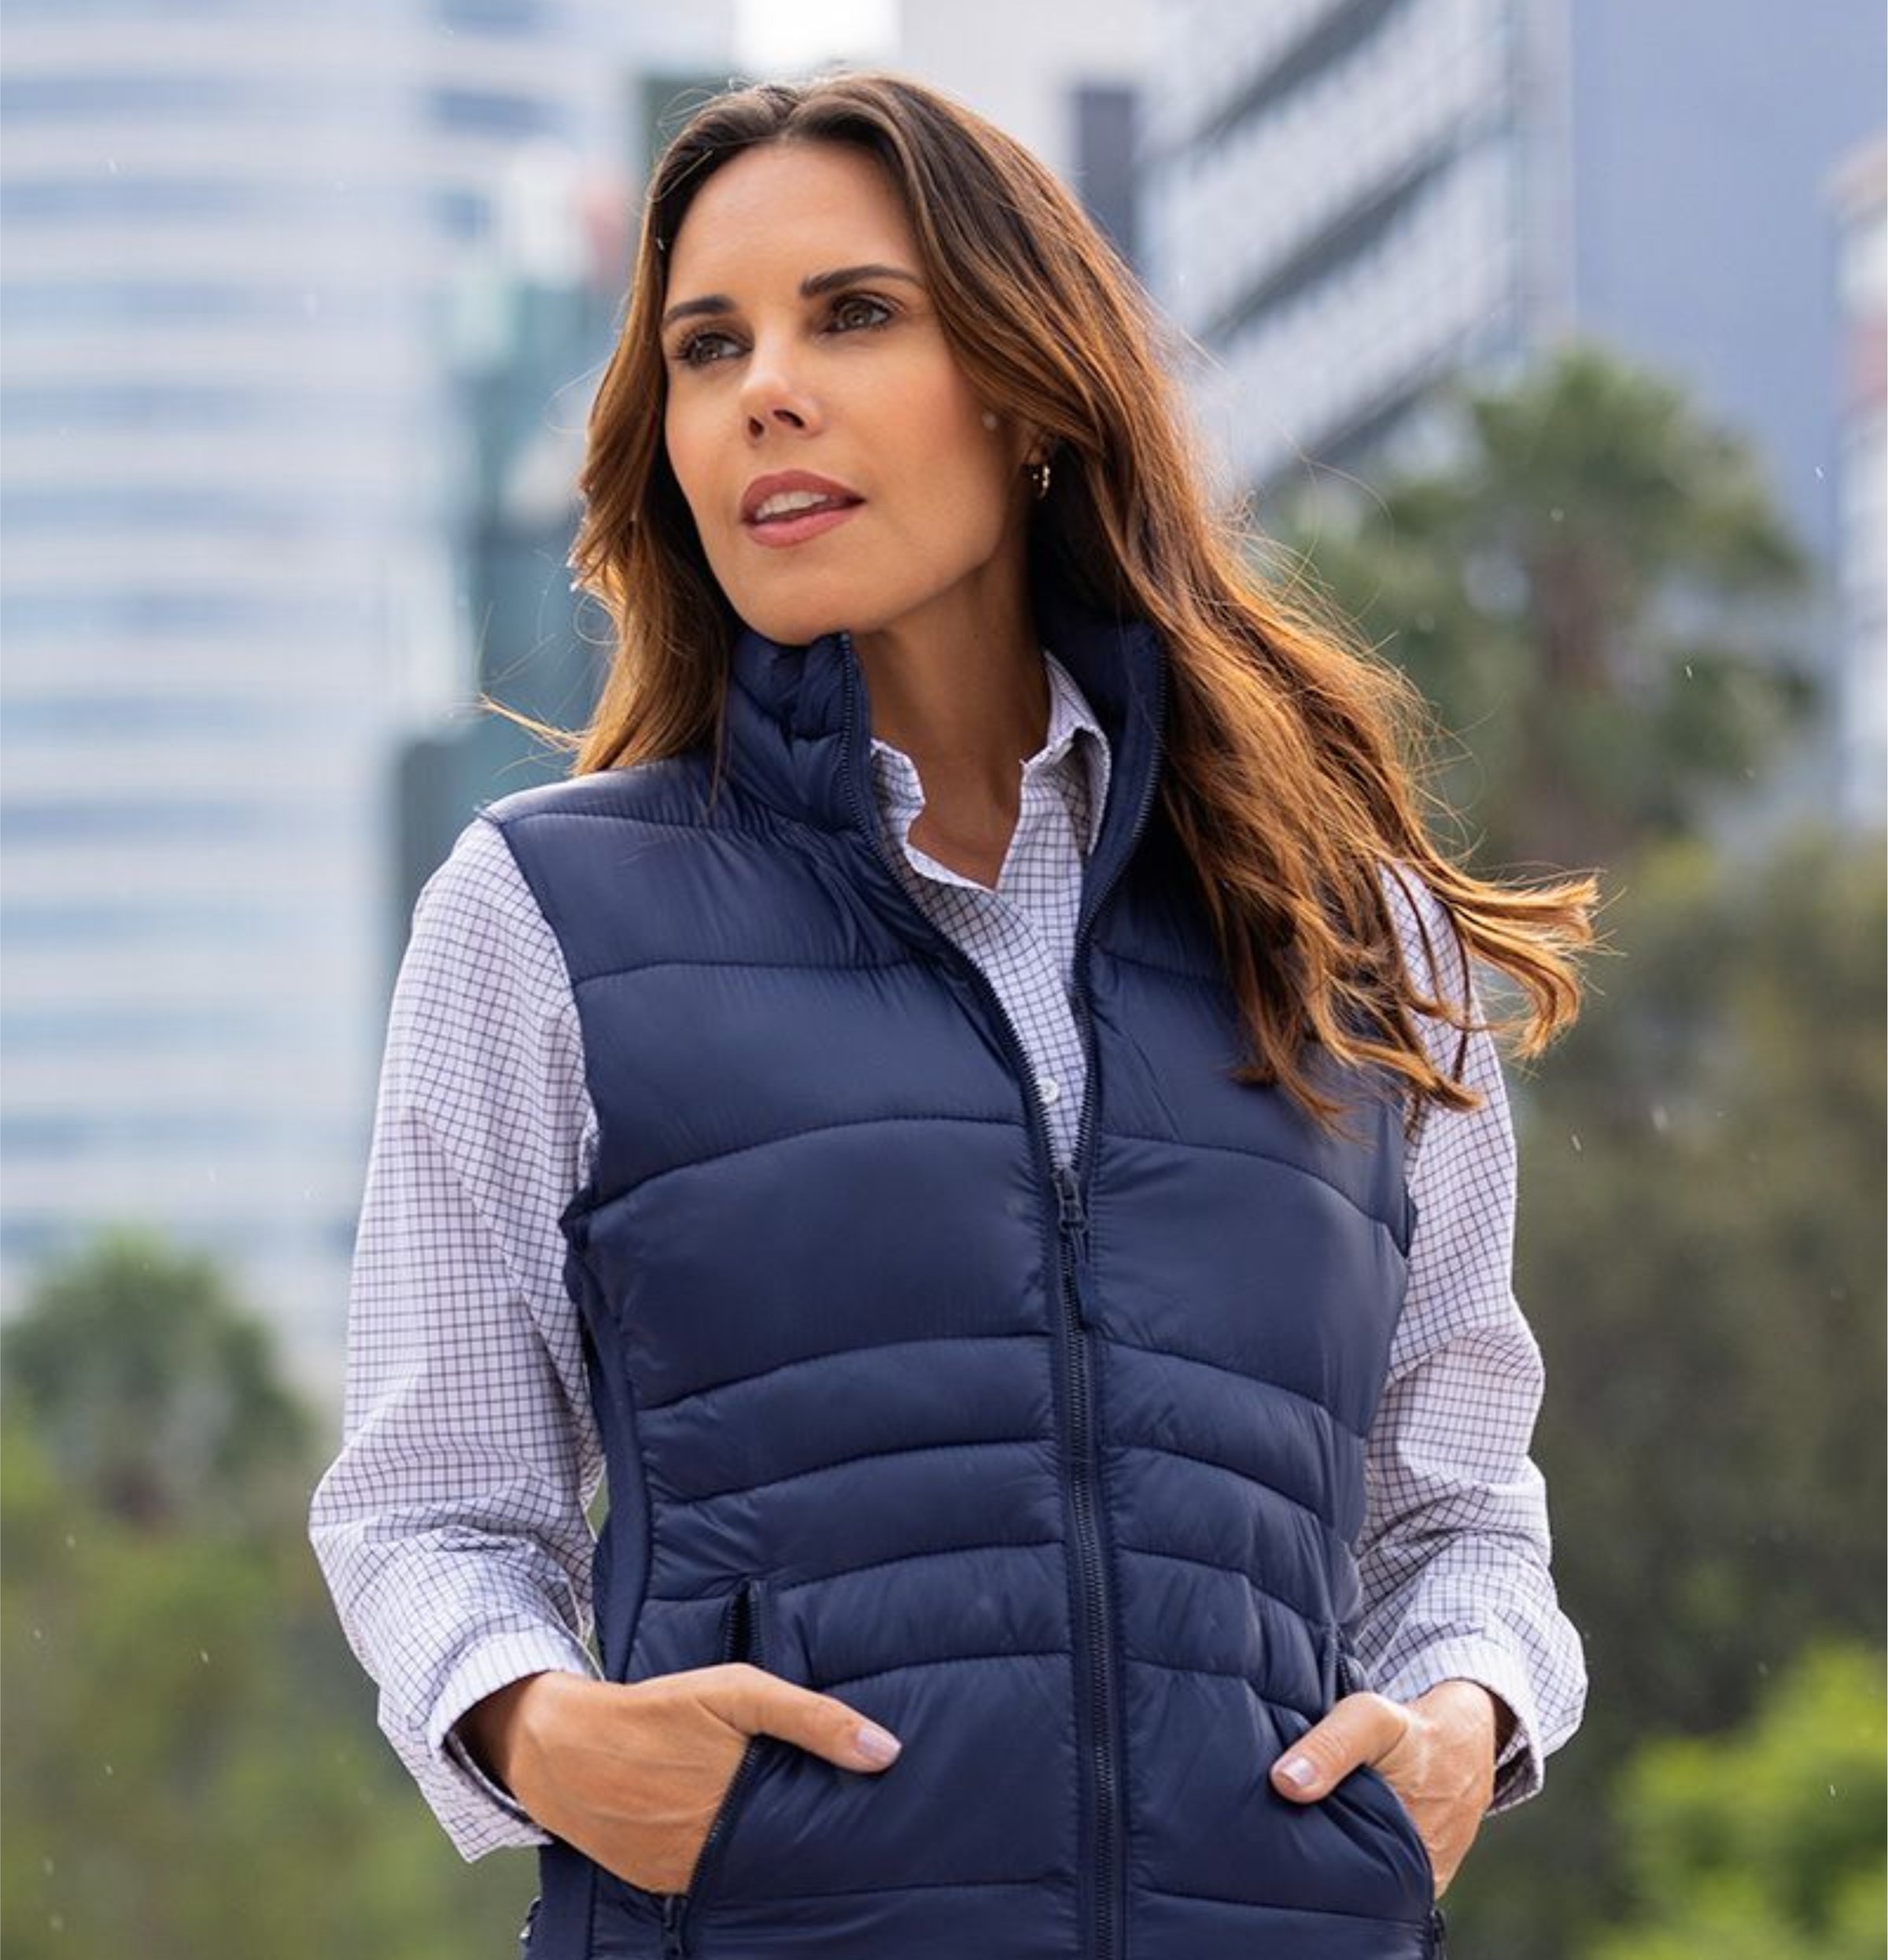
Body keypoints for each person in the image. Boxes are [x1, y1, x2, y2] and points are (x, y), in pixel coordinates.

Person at [310, 70, 1597, 1960]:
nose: (764, 387)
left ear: (1023, 381)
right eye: (705, 346)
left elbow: (1458, 1511)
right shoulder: (545, 917)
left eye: (853, 314)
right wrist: (549, 1731)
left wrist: (1462, 1725)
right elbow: (429, 1505)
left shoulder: (1344, 937)